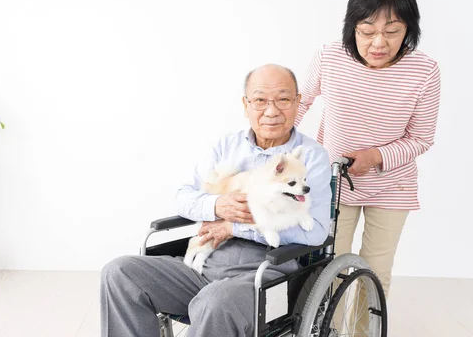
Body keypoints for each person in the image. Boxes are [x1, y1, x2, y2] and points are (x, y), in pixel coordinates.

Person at [100, 64, 332, 336]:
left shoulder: (310, 157)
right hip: (207, 265)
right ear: (246, 105)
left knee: (217, 300)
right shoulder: (226, 146)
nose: (271, 111)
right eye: (260, 100)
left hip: (265, 272)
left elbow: (316, 232)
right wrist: (216, 205)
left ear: (297, 103)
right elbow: (184, 197)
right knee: (119, 273)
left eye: (283, 99)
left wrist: (235, 228)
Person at [295, 0, 441, 330]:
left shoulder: (425, 71)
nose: (379, 42)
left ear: (408, 29)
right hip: (332, 181)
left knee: (373, 270)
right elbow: (298, 104)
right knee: (322, 267)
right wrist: (278, 146)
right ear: (352, 27)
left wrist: (377, 156)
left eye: (392, 31)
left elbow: (422, 138)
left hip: (393, 187)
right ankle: (320, 330)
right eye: (367, 30)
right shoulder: (330, 56)